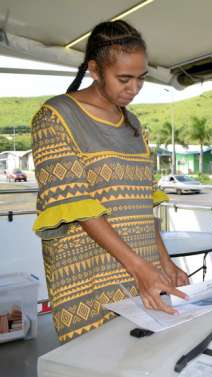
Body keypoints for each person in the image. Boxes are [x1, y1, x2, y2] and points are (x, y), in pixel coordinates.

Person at [31, 20, 188, 343]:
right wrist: (140, 267)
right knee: (96, 358)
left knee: (144, 356)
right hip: (90, 273)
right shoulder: (56, 117)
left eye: (141, 79)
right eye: (124, 79)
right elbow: (76, 205)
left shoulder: (132, 123)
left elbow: (145, 205)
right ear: (95, 69)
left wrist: (163, 261)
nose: (134, 89)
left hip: (141, 267)